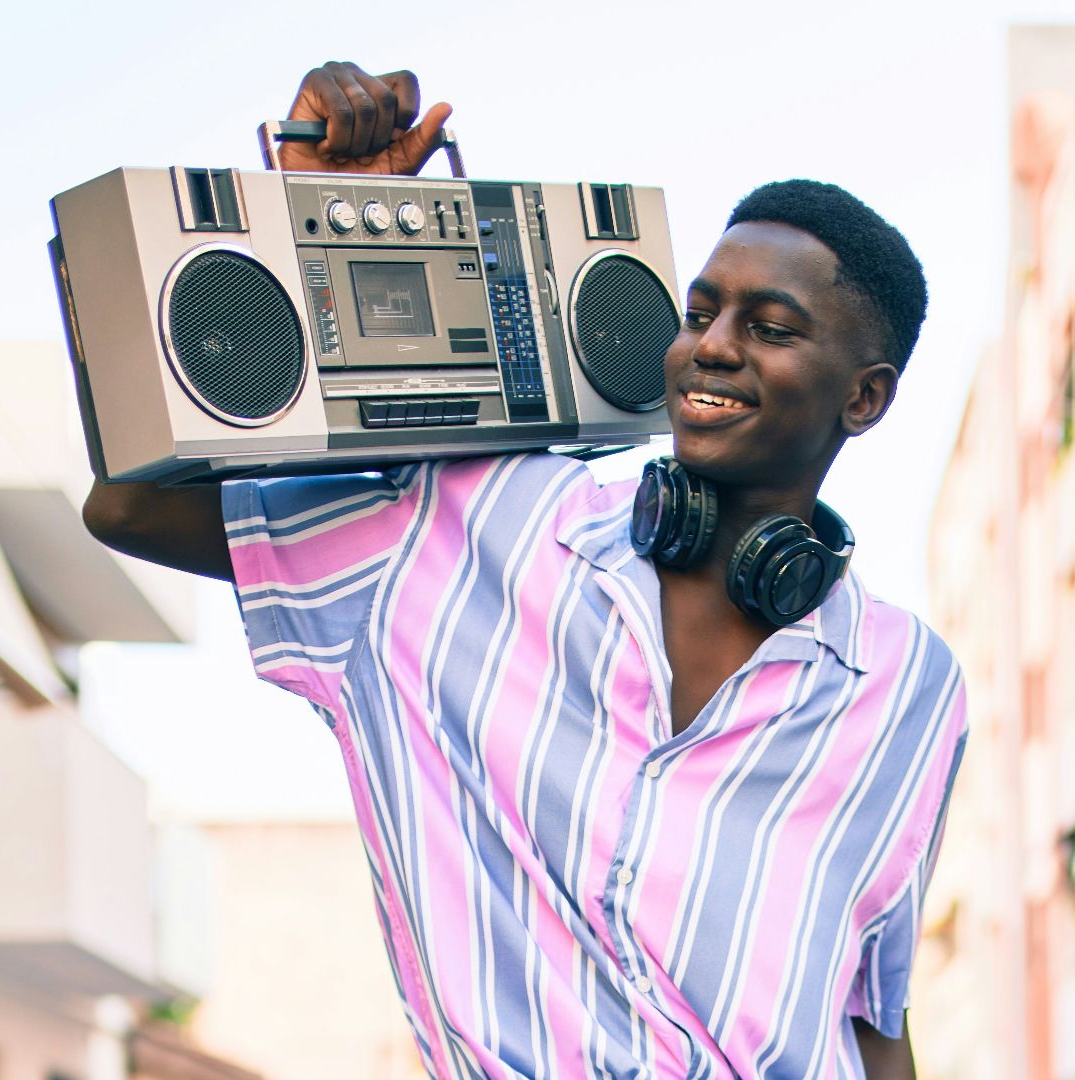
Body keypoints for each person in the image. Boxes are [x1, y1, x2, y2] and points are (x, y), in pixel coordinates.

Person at [84, 61, 967, 1079]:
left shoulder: (911, 685)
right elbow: (129, 503)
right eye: (699, 313)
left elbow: (873, 1020)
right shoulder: (468, 519)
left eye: (769, 329)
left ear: (864, 398)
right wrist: (314, 221)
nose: (712, 348)